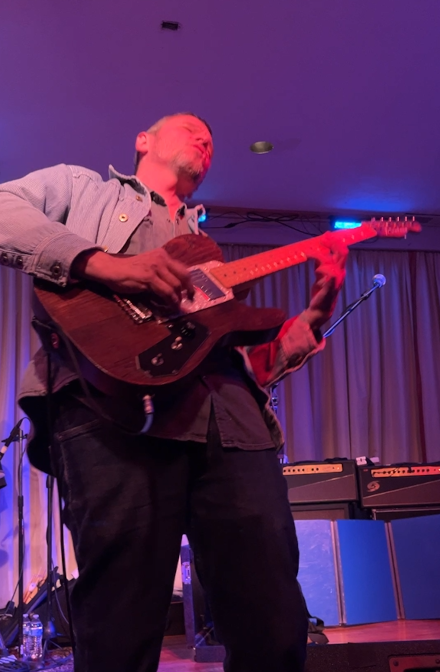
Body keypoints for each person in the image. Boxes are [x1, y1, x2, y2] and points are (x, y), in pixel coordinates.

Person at [0, 112, 348, 672]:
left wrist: (314, 314)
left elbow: (249, 365)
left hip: (230, 423)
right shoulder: (82, 188)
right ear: (143, 140)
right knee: (120, 619)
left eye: (211, 139)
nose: (206, 138)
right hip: (109, 410)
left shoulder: (205, 250)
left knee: (273, 614)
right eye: (190, 128)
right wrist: (106, 266)